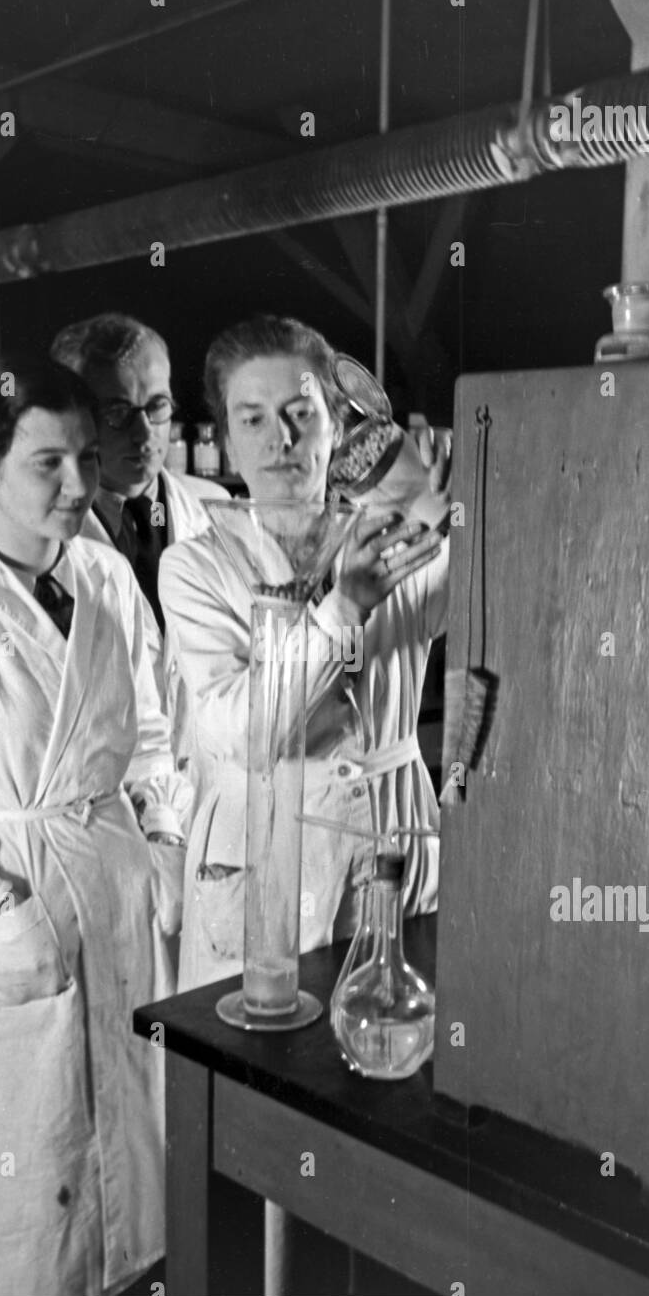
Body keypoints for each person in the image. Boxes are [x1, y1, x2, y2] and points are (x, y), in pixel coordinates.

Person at [0, 355, 192, 1296]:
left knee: (138, 1211)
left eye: (88, 459)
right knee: (19, 1233)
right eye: (46, 463)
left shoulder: (103, 574)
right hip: (7, 933)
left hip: (120, 904)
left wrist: (165, 848)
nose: (79, 485)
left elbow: (151, 734)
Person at [158, 316, 450, 993]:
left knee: (390, 1048)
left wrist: (455, 516)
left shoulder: (396, 533)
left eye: (299, 413)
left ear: (334, 424)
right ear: (226, 442)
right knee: (257, 1072)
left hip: (391, 832)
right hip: (261, 849)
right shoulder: (197, 567)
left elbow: (501, 606)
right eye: (252, 419)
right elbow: (241, 728)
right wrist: (341, 609)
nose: (280, 440)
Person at [50, 314, 228, 783]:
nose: (145, 432)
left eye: (157, 406)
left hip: (213, 794)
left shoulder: (220, 512)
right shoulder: (46, 541)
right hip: (108, 802)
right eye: (117, 412)